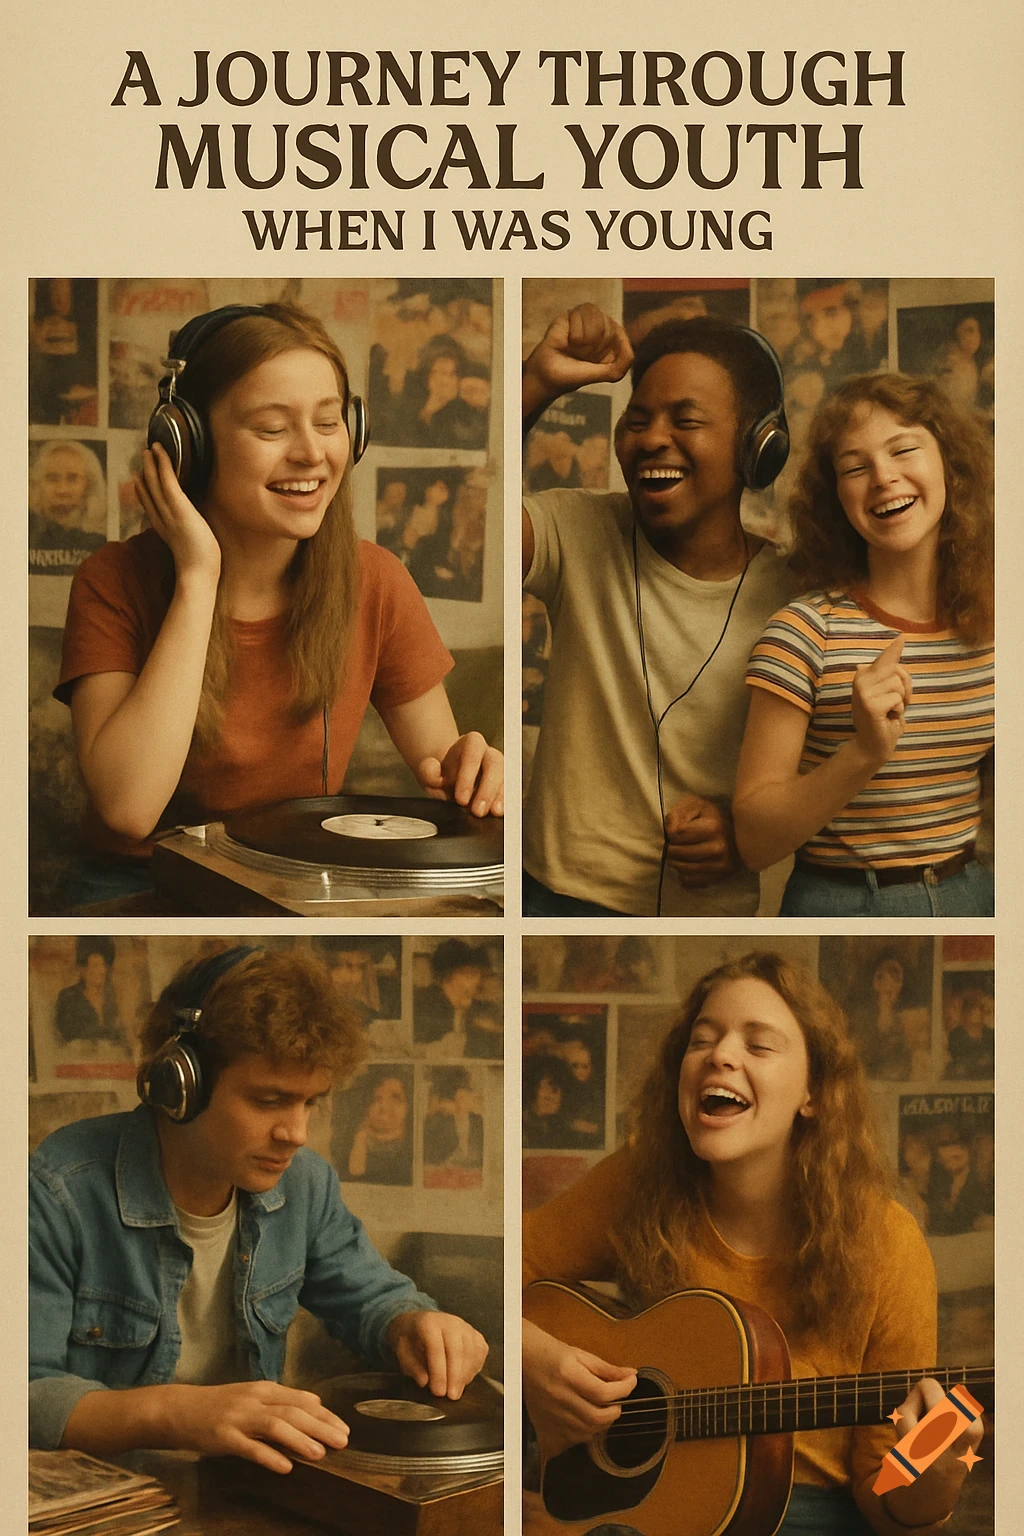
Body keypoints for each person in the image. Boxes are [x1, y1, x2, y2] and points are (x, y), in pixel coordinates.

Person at [55, 303, 503, 906]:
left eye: (329, 422)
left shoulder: (376, 581)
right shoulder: (110, 581)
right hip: (138, 886)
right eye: (272, 429)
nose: (312, 454)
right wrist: (198, 575)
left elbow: (443, 780)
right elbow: (128, 810)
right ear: (188, 444)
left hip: (298, 883)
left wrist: (475, 774)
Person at [522, 951, 983, 1535]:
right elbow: (507, 1271)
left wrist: (934, 1479)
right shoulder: (640, 1182)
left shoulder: (886, 1243)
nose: (720, 1055)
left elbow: (883, 1497)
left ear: (813, 1093)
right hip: (638, 1511)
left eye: (759, 1045)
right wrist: (534, 1362)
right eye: (701, 1040)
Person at [30, 947, 488, 1471]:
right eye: (269, 1101)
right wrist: (177, 1413)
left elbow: (373, 1300)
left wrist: (412, 1324)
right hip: (101, 1504)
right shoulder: (56, 1191)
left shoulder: (306, 1184)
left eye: (310, 1102)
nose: (296, 1133)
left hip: (246, 1488)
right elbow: (22, 1394)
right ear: (181, 1083)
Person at [522, 303, 794, 917]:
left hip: (708, 915)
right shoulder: (578, 530)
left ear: (758, 448)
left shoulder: (797, 596)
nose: (650, 440)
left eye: (686, 420)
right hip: (551, 897)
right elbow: (484, 525)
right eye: (637, 420)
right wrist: (539, 380)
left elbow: (824, 773)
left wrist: (744, 834)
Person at [735, 371, 994, 917]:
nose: (883, 477)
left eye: (904, 450)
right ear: (838, 498)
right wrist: (864, 753)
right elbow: (755, 841)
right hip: (842, 901)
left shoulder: (997, 626)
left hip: (974, 893)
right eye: (856, 467)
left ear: (950, 463)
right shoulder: (804, 632)